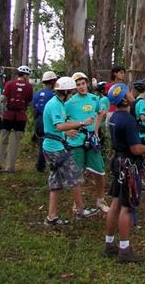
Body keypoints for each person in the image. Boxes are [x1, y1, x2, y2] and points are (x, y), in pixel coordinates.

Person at [106, 82, 145, 263]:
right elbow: (136, 148)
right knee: (127, 207)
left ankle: (109, 244)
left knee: (116, 202)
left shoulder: (114, 117)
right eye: (129, 92)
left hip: (118, 161)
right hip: (128, 165)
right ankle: (124, 250)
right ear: (124, 99)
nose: (132, 94)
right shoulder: (129, 120)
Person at [42, 76, 98, 226]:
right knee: (75, 177)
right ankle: (81, 210)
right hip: (55, 148)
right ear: (65, 91)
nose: (73, 94)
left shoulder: (58, 103)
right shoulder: (55, 105)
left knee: (56, 182)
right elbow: (59, 126)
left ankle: (51, 217)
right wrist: (81, 123)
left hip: (54, 145)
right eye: (71, 91)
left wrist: (69, 129)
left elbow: (58, 125)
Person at [66, 72, 109, 213]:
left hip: (91, 140)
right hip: (76, 141)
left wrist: (96, 130)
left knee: (100, 171)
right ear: (74, 87)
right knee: (76, 173)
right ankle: (77, 203)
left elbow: (99, 113)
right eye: (78, 85)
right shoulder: (70, 103)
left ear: (87, 84)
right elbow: (61, 121)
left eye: (83, 83)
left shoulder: (94, 99)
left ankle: (100, 200)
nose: (81, 87)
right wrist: (67, 131)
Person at [0, 64, 33, 173]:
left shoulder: (9, 84)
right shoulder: (29, 86)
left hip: (8, 115)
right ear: (25, 75)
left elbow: (2, 98)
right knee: (14, 142)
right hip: (20, 116)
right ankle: (10, 167)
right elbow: (30, 102)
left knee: (3, 139)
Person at [33, 70, 58, 173]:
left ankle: (41, 164)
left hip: (38, 119)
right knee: (47, 142)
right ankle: (44, 164)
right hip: (46, 120)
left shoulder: (37, 94)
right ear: (52, 82)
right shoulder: (52, 96)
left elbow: (34, 108)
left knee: (42, 142)